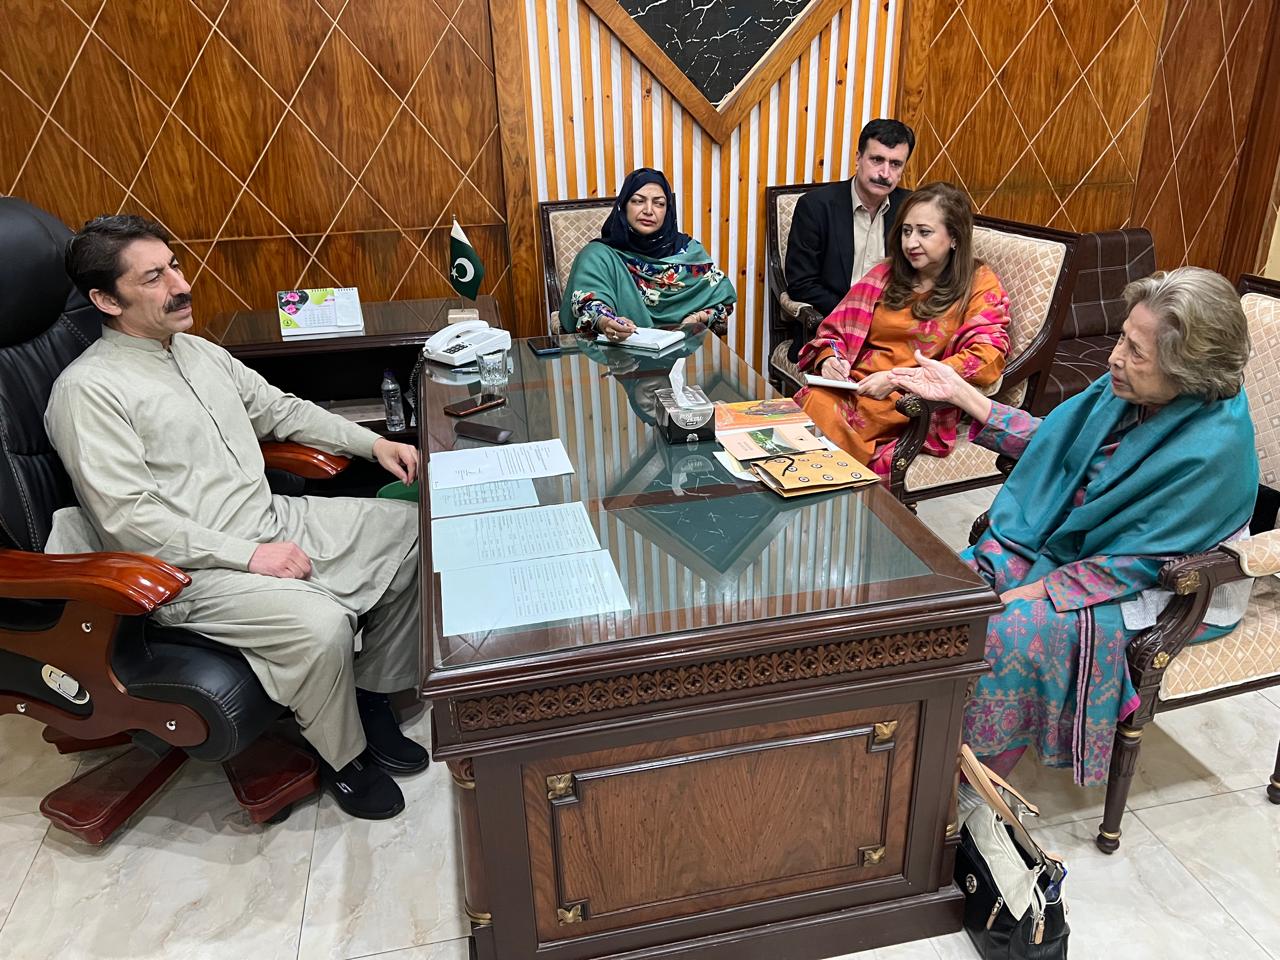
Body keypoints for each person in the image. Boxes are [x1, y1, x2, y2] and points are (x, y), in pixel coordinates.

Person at [45, 215, 428, 820]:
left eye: (173, 264)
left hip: (270, 519)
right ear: (104, 300)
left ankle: (371, 694)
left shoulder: (198, 352)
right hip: (188, 568)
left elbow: (279, 409)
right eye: (153, 277)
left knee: (414, 535)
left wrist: (370, 444)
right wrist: (251, 556)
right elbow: (129, 519)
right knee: (320, 624)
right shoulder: (88, 391)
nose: (179, 282)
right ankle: (345, 758)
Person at [888, 266, 1257, 785]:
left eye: (1136, 352)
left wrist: (1038, 590)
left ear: (1186, 372)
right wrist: (964, 396)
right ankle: (902, 751)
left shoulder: (1211, 452)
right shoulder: (1129, 390)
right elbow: (1057, 444)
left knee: (1005, 633)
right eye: (1123, 339)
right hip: (1072, 545)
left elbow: (1145, 561)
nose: (1115, 359)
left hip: (1166, 585)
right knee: (940, 598)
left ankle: (965, 793)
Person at [794, 181, 1010, 474]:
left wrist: (899, 379)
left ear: (955, 237)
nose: (910, 243)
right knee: (811, 406)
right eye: (906, 231)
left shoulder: (978, 283)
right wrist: (830, 358)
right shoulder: (887, 272)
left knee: (819, 429)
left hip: (910, 401)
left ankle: (837, 496)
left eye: (924, 232)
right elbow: (835, 331)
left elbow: (986, 358)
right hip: (855, 386)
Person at [781, 118, 915, 361]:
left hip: (894, 335)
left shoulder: (911, 209)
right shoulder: (816, 207)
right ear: (858, 158)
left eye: (895, 164)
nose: (885, 173)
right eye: (877, 160)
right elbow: (801, 283)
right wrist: (860, 316)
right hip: (833, 328)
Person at [560, 168, 736, 342]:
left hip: (683, 359)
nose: (649, 210)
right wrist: (606, 322)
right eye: (638, 201)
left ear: (668, 211)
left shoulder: (691, 253)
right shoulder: (598, 256)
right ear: (623, 206)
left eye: (659, 203)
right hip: (617, 358)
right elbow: (588, 304)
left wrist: (698, 318)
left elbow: (722, 305)